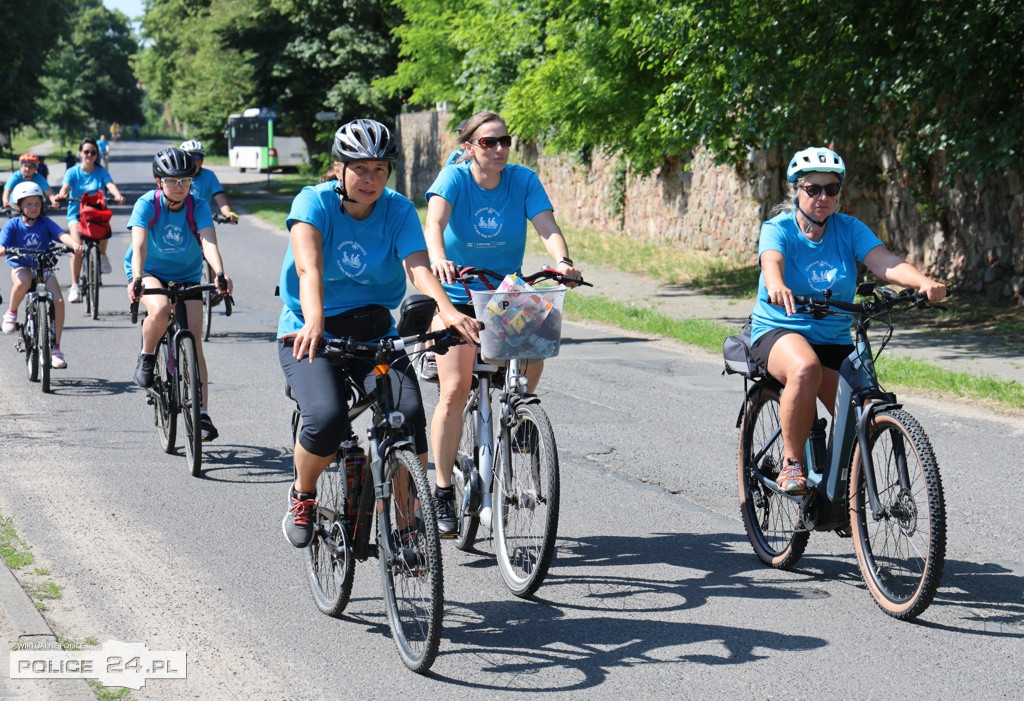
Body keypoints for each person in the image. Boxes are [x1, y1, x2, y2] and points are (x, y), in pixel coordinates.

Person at [277, 118, 479, 548]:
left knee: (407, 417)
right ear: (338, 168)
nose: (370, 180)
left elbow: (417, 266)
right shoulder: (312, 203)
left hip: (374, 333)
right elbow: (308, 268)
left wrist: (447, 310)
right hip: (310, 329)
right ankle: (303, 493)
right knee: (327, 420)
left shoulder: (398, 209)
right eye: (361, 169)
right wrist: (314, 321)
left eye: (380, 170)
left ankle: (406, 524)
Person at [748, 146, 947, 495]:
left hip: (835, 337)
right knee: (806, 368)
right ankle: (792, 465)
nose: (823, 197)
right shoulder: (777, 228)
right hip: (781, 330)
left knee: (866, 413)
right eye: (813, 189)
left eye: (831, 189)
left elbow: (884, 261)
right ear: (797, 188)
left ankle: (844, 500)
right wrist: (776, 285)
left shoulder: (848, 228)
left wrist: (922, 282)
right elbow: (771, 261)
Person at [423, 110, 582, 535]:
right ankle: (441, 491)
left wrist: (562, 261)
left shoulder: (523, 180)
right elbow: (434, 222)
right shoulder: (454, 179)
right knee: (455, 391)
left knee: (540, 335)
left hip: (503, 296)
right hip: (459, 296)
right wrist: (438, 258)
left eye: (504, 141)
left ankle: (519, 414)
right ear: (468, 147)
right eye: (488, 142)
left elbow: (546, 225)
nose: (498, 149)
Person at [125, 148, 233, 442]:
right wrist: (137, 278)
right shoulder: (148, 204)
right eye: (173, 181)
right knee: (159, 310)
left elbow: (208, 243)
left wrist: (220, 273)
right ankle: (147, 356)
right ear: (159, 181)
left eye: (185, 181)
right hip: (149, 271)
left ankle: (202, 414)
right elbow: (139, 246)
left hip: (186, 274)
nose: (179, 187)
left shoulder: (196, 205)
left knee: (194, 340)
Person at [0, 182, 82, 368]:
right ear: (19, 206)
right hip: (21, 266)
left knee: (58, 301)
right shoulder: (13, 225)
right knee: (23, 281)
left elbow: (61, 235)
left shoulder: (45, 223)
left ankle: (56, 349)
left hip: (44, 268)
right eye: (29, 204)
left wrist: (74, 244)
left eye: (37, 204)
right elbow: (2, 243)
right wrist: (3, 249)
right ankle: (11, 313)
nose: (34, 208)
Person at [56, 137, 126, 297]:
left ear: (96, 155)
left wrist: (118, 195)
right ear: (80, 153)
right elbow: (65, 187)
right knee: (77, 247)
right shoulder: (73, 171)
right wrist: (62, 195)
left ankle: (102, 254)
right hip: (77, 214)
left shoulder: (101, 171)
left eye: (93, 152)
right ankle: (75, 286)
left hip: (97, 213)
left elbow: (110, 185)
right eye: (86, 152)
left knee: (105, 227)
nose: (89, 155)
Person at [178, 140, 238, 222]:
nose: (194, 160)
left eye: (197, 157)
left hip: (201, 220)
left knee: (208, 234)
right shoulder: (175, 176)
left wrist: (228, 213)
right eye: (189, 157)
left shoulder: (209, 176)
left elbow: (220, 197)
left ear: (202, 160)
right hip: (178, 220)